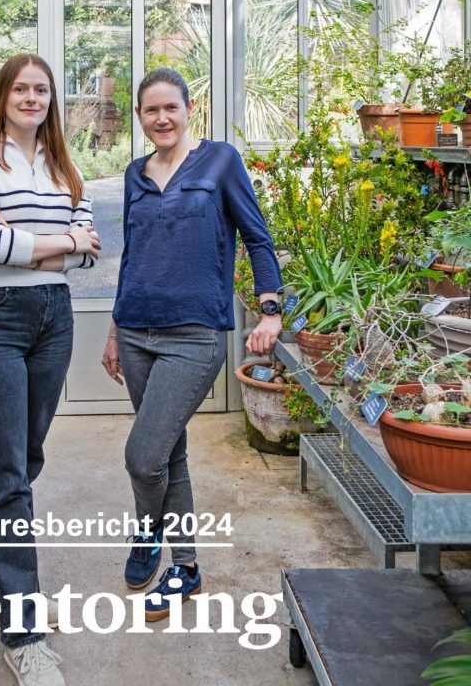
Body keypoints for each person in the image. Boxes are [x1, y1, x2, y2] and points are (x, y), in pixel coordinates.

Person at [101, 67, 282, 621]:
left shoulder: (220, 160)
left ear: (189, 108)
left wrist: (271, 309)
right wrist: (113, 328)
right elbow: (131, 255)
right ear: (140, 116)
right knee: (168, 452)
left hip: (194, 334)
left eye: (170, 108)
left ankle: (149, 529)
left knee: (142, 455)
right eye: (150, 110)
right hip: (135, 331)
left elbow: (257, 236)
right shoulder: (134, 173)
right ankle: (185, 565)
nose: (161, 118)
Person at [0, 53, 100, 686]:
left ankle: (1, 581)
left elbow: (90, 246)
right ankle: (24, 631)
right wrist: (61, 243)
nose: (33, 98)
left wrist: (49, 247)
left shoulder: (64, 166)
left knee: (26, 458)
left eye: (42, 90)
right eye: (22, 88)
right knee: (9, 472)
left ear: (51, 100)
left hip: (52, 318)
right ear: (3, 95)